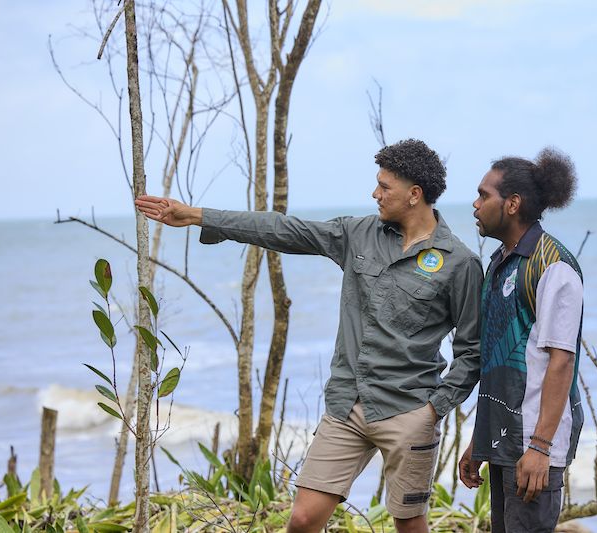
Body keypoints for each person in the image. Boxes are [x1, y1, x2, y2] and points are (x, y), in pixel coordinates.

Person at [135, 138, 482, 533]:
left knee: (408, 524)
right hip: (348, 405)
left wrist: (434, 409)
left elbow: (472, 351)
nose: (375, 193)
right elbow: (284, 229)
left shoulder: (460, 263)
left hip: (409, 411)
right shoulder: (358, 234)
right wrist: (198, 216)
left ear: (414, 195)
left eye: (385, 187)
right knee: (301, 520)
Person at [458, 148, 584, 533]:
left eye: (484, 195)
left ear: (512, 204)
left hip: (533, 447)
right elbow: (496, 360)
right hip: (503, 442)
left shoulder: (554, 266)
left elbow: (560, 362)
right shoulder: (500, 262)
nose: (476, 204)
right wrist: (479, 443)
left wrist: (541, 447)